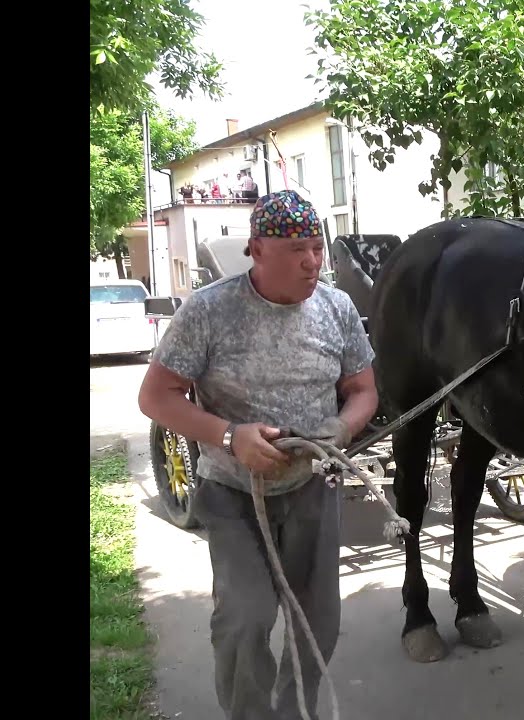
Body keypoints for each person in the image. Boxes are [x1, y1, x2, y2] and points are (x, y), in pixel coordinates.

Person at [138, 189, 377, 720]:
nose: (313, 261)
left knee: (318, 622)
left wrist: (341, 427)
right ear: (257, 250)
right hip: (232, 493)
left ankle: (296, 712)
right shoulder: (209, 311)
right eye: (296, 249)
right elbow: (154, 397)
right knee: (245, 619)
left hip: (312, 486)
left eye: (317, 246)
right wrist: (229, 436)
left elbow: (364, 390)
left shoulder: (337, 308)